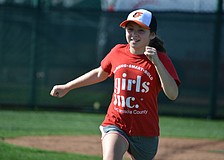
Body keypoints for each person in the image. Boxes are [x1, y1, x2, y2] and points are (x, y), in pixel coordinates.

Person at [50, 9, 181, 160]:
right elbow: (100, 73)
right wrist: (67, 87)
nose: (134, 34)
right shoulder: (118, 51)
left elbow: (173, 94)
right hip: (116, 123)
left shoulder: (161, 59)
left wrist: (157, 62)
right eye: (130, 29)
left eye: (141, 30)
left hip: (145, 131)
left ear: (152, 34)